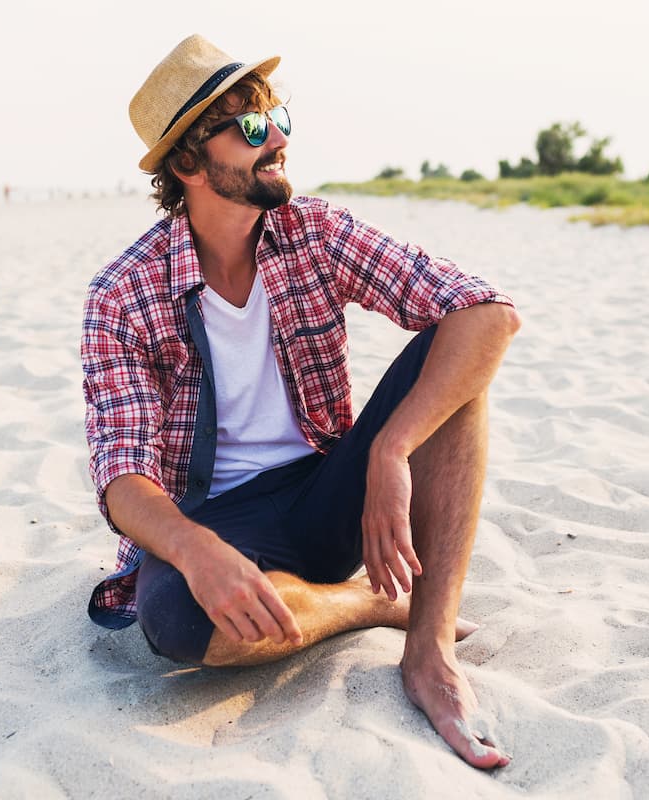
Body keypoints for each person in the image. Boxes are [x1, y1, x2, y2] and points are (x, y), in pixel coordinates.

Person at [81, 34, 520, 770]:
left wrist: (390, 449)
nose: (277, 136)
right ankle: (376, 606)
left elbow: (487, 313)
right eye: (249, 128)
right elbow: (121, 479)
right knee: (177, 624)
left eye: (277, 115)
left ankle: (428, 650)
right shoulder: (124, 292)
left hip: (328, 492)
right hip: (212, 518)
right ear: (188, 162)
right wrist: (196, 549)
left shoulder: (313, 231)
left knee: (455, 368)